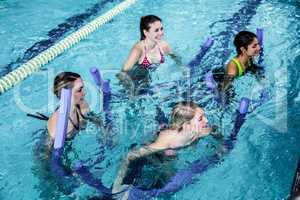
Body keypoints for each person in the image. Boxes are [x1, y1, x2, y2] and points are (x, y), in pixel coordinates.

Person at [112, 101, 212, 195]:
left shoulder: (196, 130)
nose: (206, 120)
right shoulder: (166, 143)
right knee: (165, 184)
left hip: (170, 140)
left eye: (204, 116)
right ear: (187, 125)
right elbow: (130, 156)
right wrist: (117, 188)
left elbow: (213, 131)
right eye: (200, 119)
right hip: (158, 154)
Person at [117, 15, 179, 94]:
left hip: (150, 77)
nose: (161, 33)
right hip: (136, 78)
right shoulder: (139, 48)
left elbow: (176, 57)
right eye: (156, 30)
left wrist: (180, 68)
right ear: (146, 32)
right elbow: (123, 72)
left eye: (161, 29)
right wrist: (130, 90)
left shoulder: (164, 45)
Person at [47, 72, 100, 141]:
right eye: (79, 90)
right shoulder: (57, 127)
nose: (84, 93)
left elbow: (96, 119)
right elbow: (47, 150)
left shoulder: (82, 105)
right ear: (66, 94)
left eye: (82, 88)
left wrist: (106, 133)